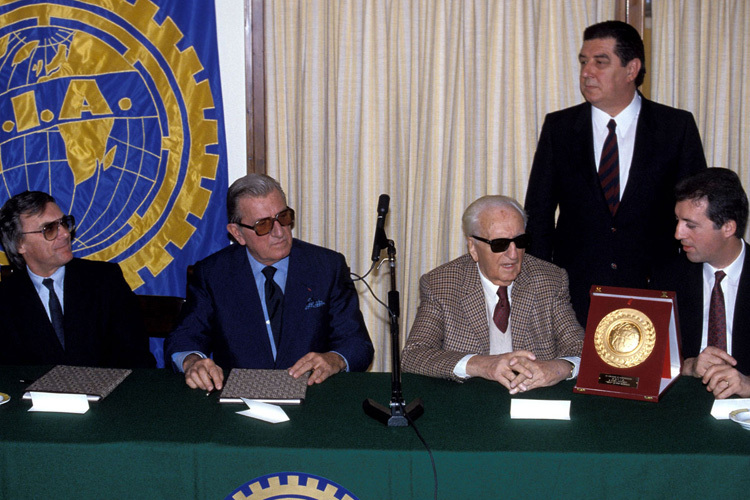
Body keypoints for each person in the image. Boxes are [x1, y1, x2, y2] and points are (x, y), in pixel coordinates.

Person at [524, 20, 707, 327]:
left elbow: (697, 211)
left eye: (600, 62)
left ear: (632, 69)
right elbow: (538, 214)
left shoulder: (675, 127)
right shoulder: (560, 128)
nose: (586, 72)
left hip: (655, 291)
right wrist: (542, 286)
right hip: (575, 295)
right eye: (583, 62)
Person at [164, 174, 374, 391]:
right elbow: (184, 338)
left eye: (283, 217)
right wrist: (192, 362)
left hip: (314, 395)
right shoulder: (213, 274)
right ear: (238, 234)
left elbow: (358, 344)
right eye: (263, 225)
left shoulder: (327, 267)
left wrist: (334, 359)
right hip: (240, 400)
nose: (279, 232)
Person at [401, 195, 583, 394]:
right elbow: (413, 356)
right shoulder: (441, 284)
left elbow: (580, 348)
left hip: (533, 400)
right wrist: (482, 365)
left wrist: (559, 368)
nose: (513, 254)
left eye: (520, 241)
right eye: (500, 244)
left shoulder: (551, 280)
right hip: (469, 400)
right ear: (473, 247)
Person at [0, 191, 154, 368]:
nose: (65, 234)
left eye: (64, 223)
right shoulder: (5, 299)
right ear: (20, 244)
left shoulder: (105, 280)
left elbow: (137, 355)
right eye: (49, 229)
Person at [651, 168, 750, 399]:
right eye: (678, 221)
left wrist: (748, 384)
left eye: (690, 225)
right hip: (682, 405)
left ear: (728, 227)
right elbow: (645, 359)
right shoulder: (668, 276)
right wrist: (688, 366)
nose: (677, 233)